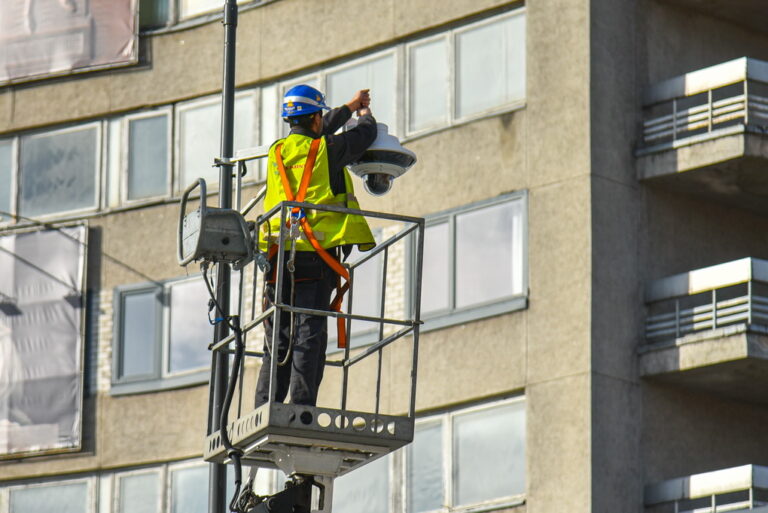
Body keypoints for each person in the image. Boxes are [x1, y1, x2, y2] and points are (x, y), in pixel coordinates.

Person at [255, 84, 378, 407]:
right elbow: (364, 135)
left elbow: (320, 130)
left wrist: (348, 106)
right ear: (315, 120)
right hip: (315, 258)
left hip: (277, 260)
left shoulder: (277, 152)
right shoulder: (327, 150)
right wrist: (363, 115)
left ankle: (266, 405)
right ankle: (301, 407)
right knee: (308, 334)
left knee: (277, 336)